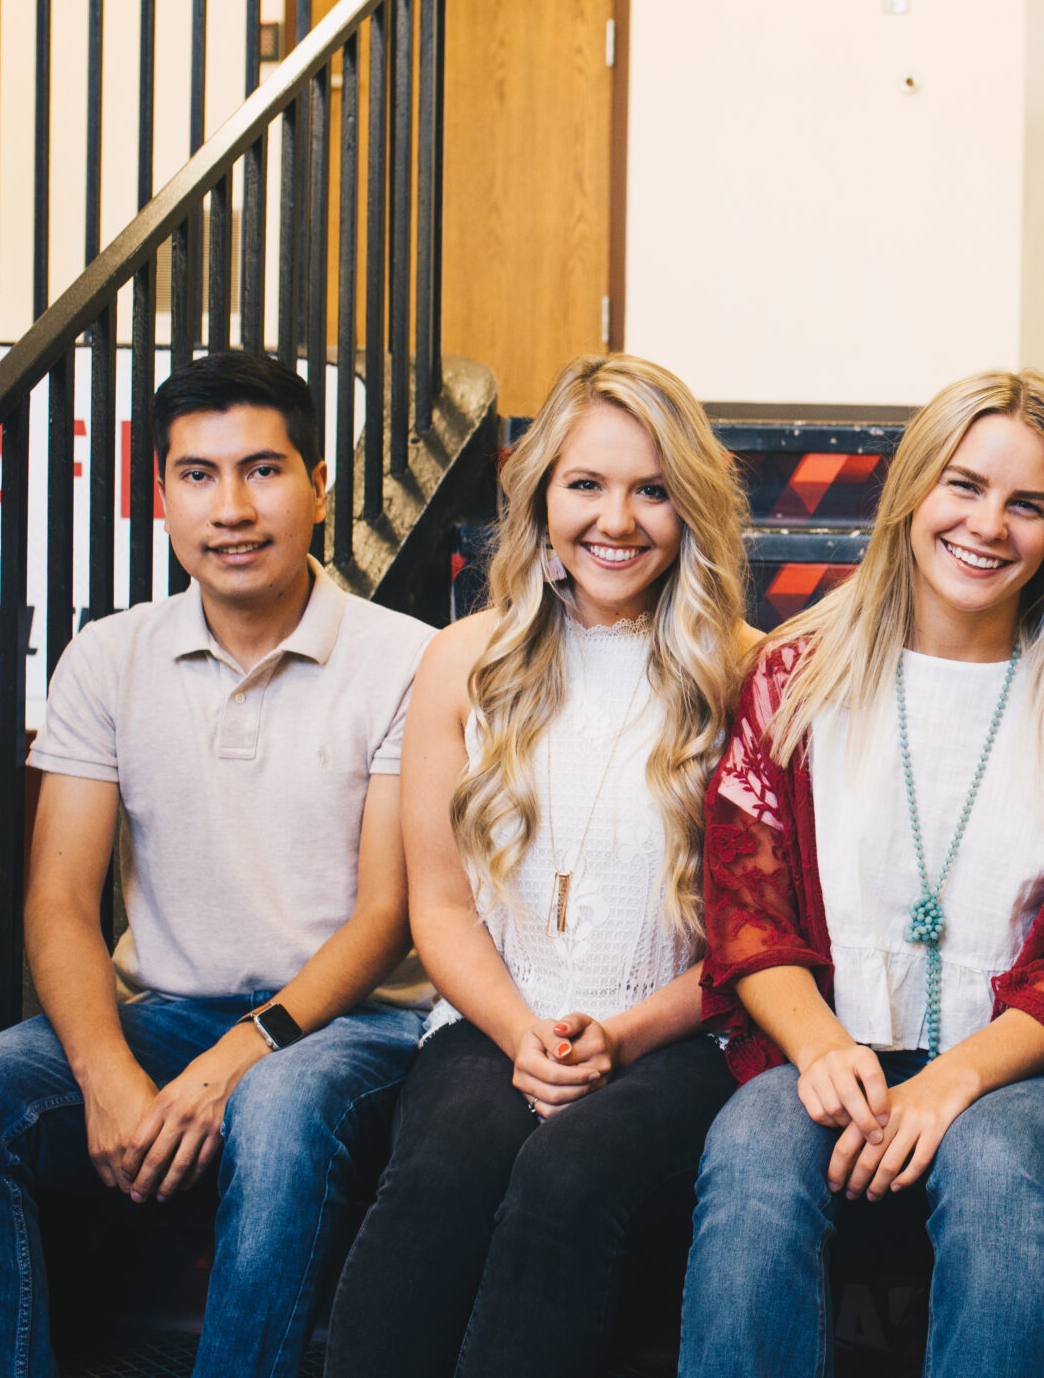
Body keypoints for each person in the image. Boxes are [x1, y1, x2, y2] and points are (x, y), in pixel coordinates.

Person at [0, 351, 434, 1378]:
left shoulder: (406, 656)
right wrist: (106, 1079)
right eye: (198, 475)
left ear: (318, 486)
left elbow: (387, 914)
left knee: (276, 1108)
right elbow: (56, 900)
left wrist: (236, 1058)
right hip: (166, 1011)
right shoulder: (110, 655)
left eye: (264, 471)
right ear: (161, 498)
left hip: (354, 1026)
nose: (231, 507)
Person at [677, 369, 1044, 1378]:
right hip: (831, 1049)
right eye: (963, 485)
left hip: (1026, 1075)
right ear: (911, 491)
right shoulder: (795, 674)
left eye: (1027, 504)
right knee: (750, 1159)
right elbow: (745, 907)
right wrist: (819, 1048)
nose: (987, 525)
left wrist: (948, 1085)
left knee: (997, 1168)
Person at [324, 356, 762, 1375]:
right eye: (587, 485)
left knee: (568, 1178)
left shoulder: (750, 668)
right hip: (493, 1014)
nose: (617, 520)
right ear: (542, 496)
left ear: (690, 504)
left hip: (680, 1034)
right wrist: (523, 1031)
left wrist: (617, 1034)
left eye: (652, 490)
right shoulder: (464, 657)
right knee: (443, 1171)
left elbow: (758, 933)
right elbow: (436, 902)